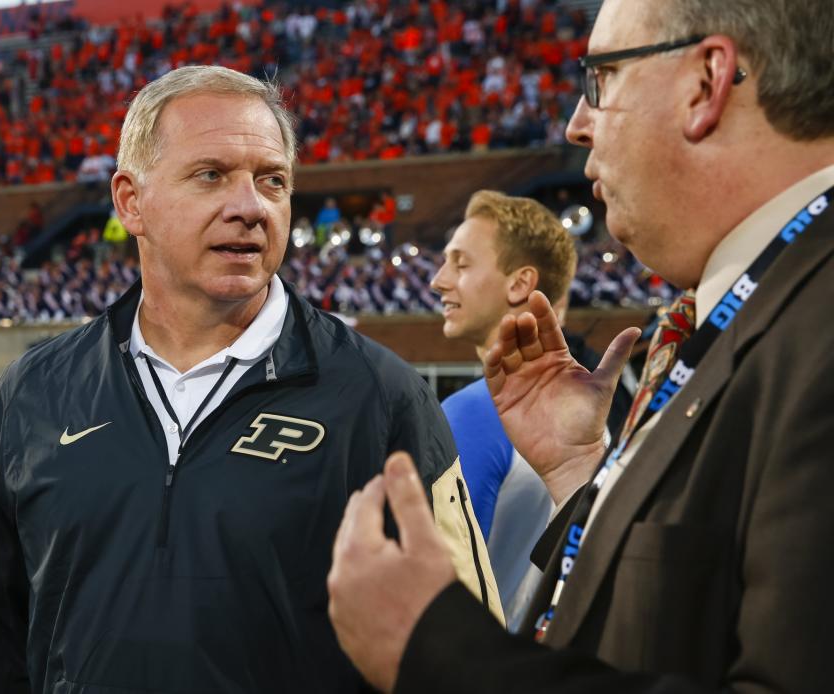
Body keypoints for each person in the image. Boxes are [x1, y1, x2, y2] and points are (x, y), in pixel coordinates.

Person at [327, 0, 834, 691]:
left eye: (603, 78)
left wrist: (437, 653)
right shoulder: (756, 301)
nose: (575, 123)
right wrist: (578, 475)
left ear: (705, 82)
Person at [0, 65, 500, 694]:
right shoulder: (33, 393)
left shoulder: (380, 394)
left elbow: (465, 648)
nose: (249, 207)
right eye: (210, 175)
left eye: (272, 182)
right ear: (132, 201)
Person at [432, 191, 577, 630]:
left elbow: (440, 597)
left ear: (519, 284)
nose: (439, 280)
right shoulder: (590, 413)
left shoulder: (475, 412)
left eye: (461, 263)